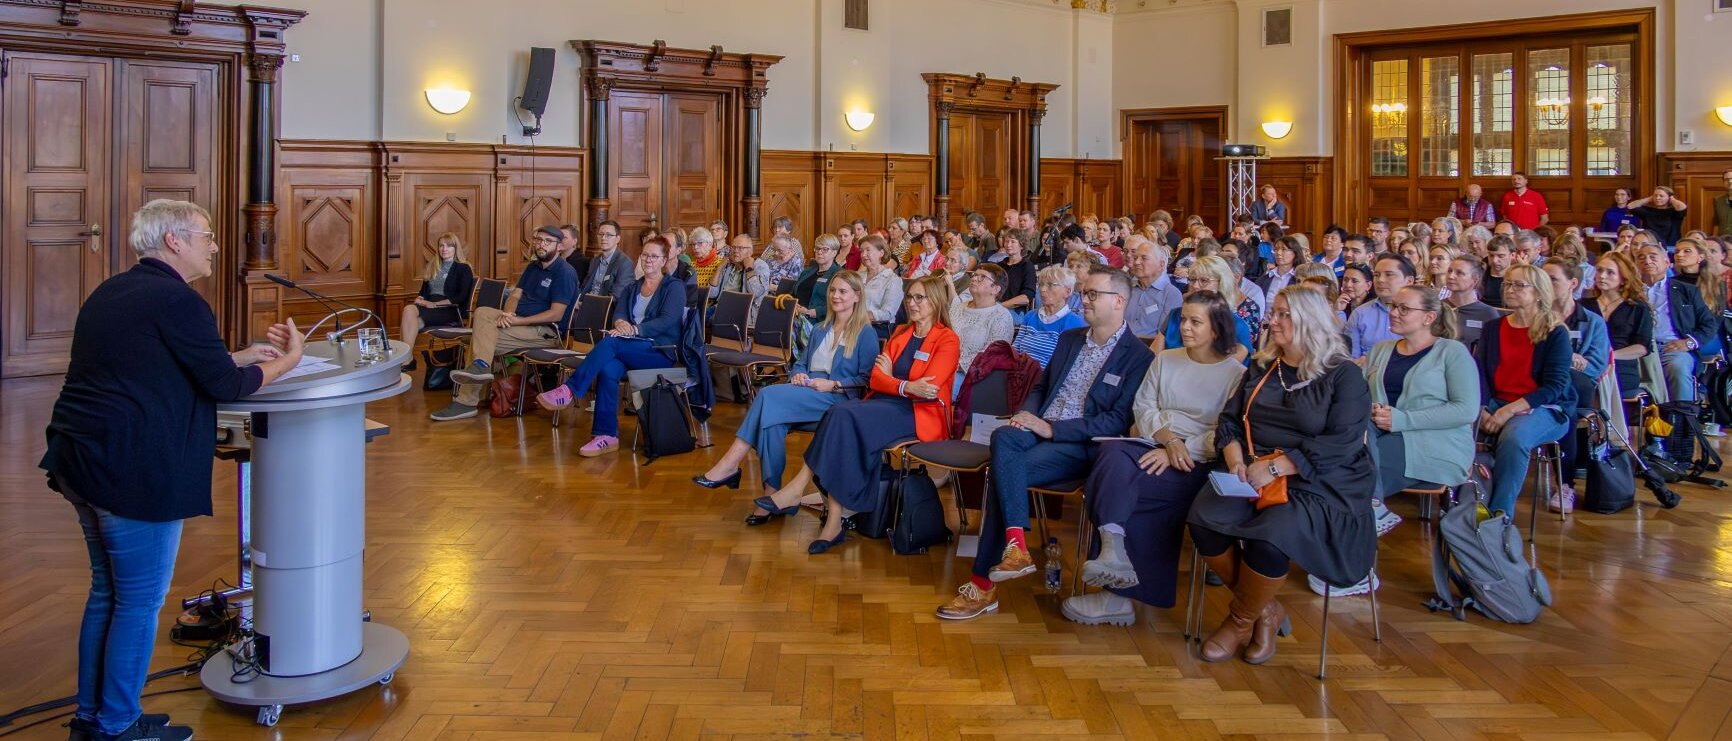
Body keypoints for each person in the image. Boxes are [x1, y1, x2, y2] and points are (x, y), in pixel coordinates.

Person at [43, 199, 309, 741]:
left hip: (83, 460)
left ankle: (94, 719)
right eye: (207, 235)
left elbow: (154, 363)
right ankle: (117, 727)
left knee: (107, 595)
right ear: (174, 241)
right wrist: (286, 362)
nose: (214, 245)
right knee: (137, 604)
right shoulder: (178, 301)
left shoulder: (116, 290)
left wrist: (234, 355)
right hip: (132, 471)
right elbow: (226, 389)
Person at [936, 268, 1156, 621]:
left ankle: (985, 582)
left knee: (1003, 472)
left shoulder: (1138, 357)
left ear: (1119, 302)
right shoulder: (1071, 339)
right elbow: (1040, 388)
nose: (1084, 300)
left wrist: (1054, 431)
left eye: (1093, 294)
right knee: (1005, 434)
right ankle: (1015, 547)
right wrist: (1026, 415)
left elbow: (1115, 421)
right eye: (1083, 293)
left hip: (1080, 443)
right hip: (1036, 428)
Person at [1187, 286, 1376, 663]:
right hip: (1253, 469)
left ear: (1310, 320)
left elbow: (1342, 442)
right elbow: (1229, 421)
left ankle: (1240, 620)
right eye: (1274, 312)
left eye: (1283, 314)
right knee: (1203, 520)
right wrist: (1237, 460)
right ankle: (1266, 610)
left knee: (1270, 538)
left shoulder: (1343, 376)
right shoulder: (1262, 367)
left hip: (1319, 479)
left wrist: (1275, 467)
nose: (1272, 321)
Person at [1062, 291, 1245, 625]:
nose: (1185, 327)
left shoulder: (1235, 374)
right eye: (1183, 319)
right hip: (1154, 443)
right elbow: (1143, 407)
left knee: (1139, 488)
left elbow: (1224, 431)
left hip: (1195, 459)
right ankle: (1111, 548)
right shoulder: (1166, 359)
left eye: (1195, 321)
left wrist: (1179, 449)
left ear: (1216, 329)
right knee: (1111, 452)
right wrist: (1167, 440)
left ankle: (1117, 597)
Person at [765, 275, 961, 554]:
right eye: (910, 297)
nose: (913, 303)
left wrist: (896, 381)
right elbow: (876, 379)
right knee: (839, 414)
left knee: (843, 414)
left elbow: (926, 390)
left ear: (936, 301)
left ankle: (806, 494)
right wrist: (903, 384)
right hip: (885, 404)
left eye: (920, 298)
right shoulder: (902, 333)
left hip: (919, 414)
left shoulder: (947, 339)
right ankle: (830, 518)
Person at [696, 271, 878, 499]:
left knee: (767, 395)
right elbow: (800, 363)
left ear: (857, 296)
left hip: (838, 398)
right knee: (770, 425)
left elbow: (866, 380)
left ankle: (730, 464)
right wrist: (799, 375)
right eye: (832, 290)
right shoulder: (820, 329)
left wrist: (832, 384)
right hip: (807, 391)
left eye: (843, 291)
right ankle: (772, 496)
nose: (835, 296)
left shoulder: (865, 333)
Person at [535, 237, 686, 457]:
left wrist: (634, 330)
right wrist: (620, 323)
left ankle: (570, 390)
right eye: (645, 255)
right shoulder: (634, 286)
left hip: (659, 351)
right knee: (608, 369)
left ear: (664, 260)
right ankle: (606, 436)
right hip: (630, 348)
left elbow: (668, 320)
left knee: (612, 343)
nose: (648, 260)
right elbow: (620, 312)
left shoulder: (674, 287)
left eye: (654, 256)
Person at [1360, 286, 1477, 561]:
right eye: (1393, 306)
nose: (1394, 313)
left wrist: (1403, 419)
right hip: (1381, 436)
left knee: (1353, 476)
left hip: (1435, 442)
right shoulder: (1381, 350)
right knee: (1344, 460)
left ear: (1428, 317)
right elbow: (1361, 394)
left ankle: (1354, 562)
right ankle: (1370, 511)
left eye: (1404, 308)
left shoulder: (1452, 352)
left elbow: (1466, 410)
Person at [439, 226, 579, 420]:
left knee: (478, 338)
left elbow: (556, 314)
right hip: (517, 323)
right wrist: (508, 312)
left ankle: (466, 401)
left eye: (548, 241)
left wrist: (520, 321)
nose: (541, 244)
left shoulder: (565, 272)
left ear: (560, 246)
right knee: (482, 312)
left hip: (544, 332)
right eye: (538, 240)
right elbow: (515, 294)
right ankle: (479, 368)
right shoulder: (533, 266)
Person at [1475, 262, 1575, 517]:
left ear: (1539, 292)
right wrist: (1483, 408)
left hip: (1542, 407)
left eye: (1519, 285)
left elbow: (1554, 386)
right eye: (1508, 283)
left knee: (1514, 438)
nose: (1510, 289)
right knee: (1454, 426)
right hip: (1495, 402)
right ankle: (1463, 505)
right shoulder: (1493, 328)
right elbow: (1480, 376)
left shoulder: (1555, 333)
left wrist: (1508, 411)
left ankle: (1498, 514)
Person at [1544, 258, 1610, 513]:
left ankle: (1565, 484)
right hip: (1545, 381)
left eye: (1553, 279)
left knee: (1563, 405)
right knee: (1557, 402)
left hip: (1577, 385)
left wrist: (1559, 360)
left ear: (1572, 284)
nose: (1546, 284)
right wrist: (1568, 357)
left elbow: (1595, 364)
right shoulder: (1538, 316)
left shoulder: (1591, 321)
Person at [1636, 242, 1716, 402]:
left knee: (1678, 368)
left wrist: (1689, 343)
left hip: (1672, 348)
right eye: (1641, 257)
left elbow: (1709, 323)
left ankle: (1682, 419)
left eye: (1653, 256)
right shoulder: (1629, 292)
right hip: (1637, 350)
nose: (1647, 260)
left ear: (1667, 262)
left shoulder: (1686, 290)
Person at [400, 232, 475, 362]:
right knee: (409, 312)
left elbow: (461, 297)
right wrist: (420, 298)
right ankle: (407, 359)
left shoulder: (463, 268)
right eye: (441, 245)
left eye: (449, 246)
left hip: (450, 309)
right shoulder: (433, 266)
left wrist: (434, 304)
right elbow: (423, 291)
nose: (444, 249)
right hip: (429, 307)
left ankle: (404, 360)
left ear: (455, 248)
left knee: (410, 319)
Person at [1587, 251, 1653, 398]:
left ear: (1623, 279)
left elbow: (1642, 347)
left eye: (1610, 272)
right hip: (1588, 362)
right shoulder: (1584, 306)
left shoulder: (1637, 308)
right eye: (1599, 270)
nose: (1602, 276)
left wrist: (1609, 356)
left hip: (1620, 364)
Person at [1158, 255, 1252, 356]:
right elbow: (1154, 355)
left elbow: (1229, 369)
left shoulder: (1237, 326)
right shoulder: (1176, 315)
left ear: (1222, 284)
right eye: (1193, 280)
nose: (1195, 286)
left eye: (1204, 281)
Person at [949, 263, 1017, 389]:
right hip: (945, 363)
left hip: (972, 376)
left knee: (934, 386)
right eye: (974, 275)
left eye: (982, 277)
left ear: (996, 289)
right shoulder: (960, 307)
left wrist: (957, 365)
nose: (974, 278)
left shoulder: (1001, 316)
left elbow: (992, 355)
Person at [1012, 265, 1088, 367]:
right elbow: (1015, 349)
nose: (1042, 289)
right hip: (1018, 373)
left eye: (1050, 285)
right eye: (1041, 284)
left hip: (1044, 379)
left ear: (1067, 291)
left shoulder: (1074, 323)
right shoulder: (1030, 316)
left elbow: (1065, 364)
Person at [1346, 253, 1418, 359]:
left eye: (1389, 275)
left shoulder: (1420, 314)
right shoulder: (1359, 313)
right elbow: (1351, 358)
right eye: (1376, 275)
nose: (1380, 280)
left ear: (1409, 281)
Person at [1126, 238, 1183, 339]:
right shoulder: (1127, 289)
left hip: (1149, 348)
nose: (1137, 262)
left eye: (1144, 258)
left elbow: (1165, 335)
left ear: (1161, 265)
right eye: (1135, 258)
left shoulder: (1171, 294)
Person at [1443, 254, 1500, 353]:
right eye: (1449, 271)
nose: (1451, 276)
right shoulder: (1437, 307)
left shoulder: (1487, 313)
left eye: (1459, 273)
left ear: (1474, 280)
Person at [793, 233, 843, 323]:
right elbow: (793, 293)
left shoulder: (839, 275)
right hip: (795, 315)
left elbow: (842, 302)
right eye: (817, 248)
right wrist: (793, 305)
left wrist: (811, 312)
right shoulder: (807, 271)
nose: (819, 252)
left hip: (818, 321)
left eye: (825, 249)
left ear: (834, 253)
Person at [860, 235, 904, 334]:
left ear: (881, 253)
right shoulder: (858, 276)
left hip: (876, 328)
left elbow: (888, 314)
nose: (863, 254)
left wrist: (859, 316)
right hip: (853, 324)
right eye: (861, 251)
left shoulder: (892, 280)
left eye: (868, 250)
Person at [584, 220, 636, 303]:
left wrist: (589, 304)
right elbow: (585, 287)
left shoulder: (624, 263)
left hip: (606, 309)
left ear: (617, 239)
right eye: (601, 234)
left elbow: (617, 297)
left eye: (608, 235)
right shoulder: (595, 260)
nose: (603, 238)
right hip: (586, 304)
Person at [997, 231, 1036, 311]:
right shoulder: (999, 266)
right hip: (996, 307)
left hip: (1015, 311)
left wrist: (1000, 307)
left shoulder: (1027, 266)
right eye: (1007, 241)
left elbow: (1026, 297)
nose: (1008, 245)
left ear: (1021, 246)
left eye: (1013, 242)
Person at [1482, 235, 1514, 307]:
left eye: (1501, 256)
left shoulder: (1516, 278)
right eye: (1491, 255)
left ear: (1512, 255)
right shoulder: (1480, 274)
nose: (1494, 261)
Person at [1714, 169, 1732, 238]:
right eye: (1727, 179)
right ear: (1723, 182)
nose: (1730, 181)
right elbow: (1716, 223)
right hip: (1723, 241)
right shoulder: (1718, 200)